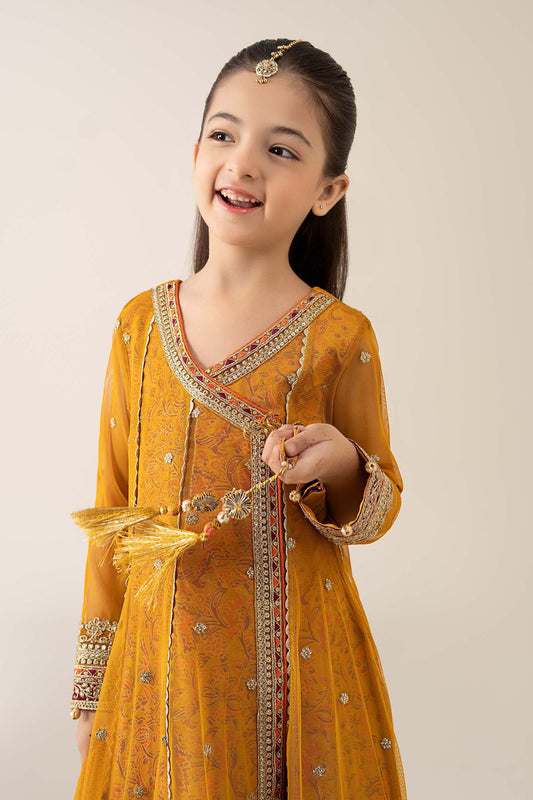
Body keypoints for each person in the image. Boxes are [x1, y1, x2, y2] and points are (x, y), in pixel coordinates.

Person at [70, 38, 407, 800]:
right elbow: (113, 515)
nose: (243, 163)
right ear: (196, 153)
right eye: (224, 135)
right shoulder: (140, 328)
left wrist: (338, 463)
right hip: (158, 676)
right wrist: (91, 685)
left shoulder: (338, 336)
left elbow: (378, 502)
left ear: (327, 190)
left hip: (297, 679)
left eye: (280, 150)